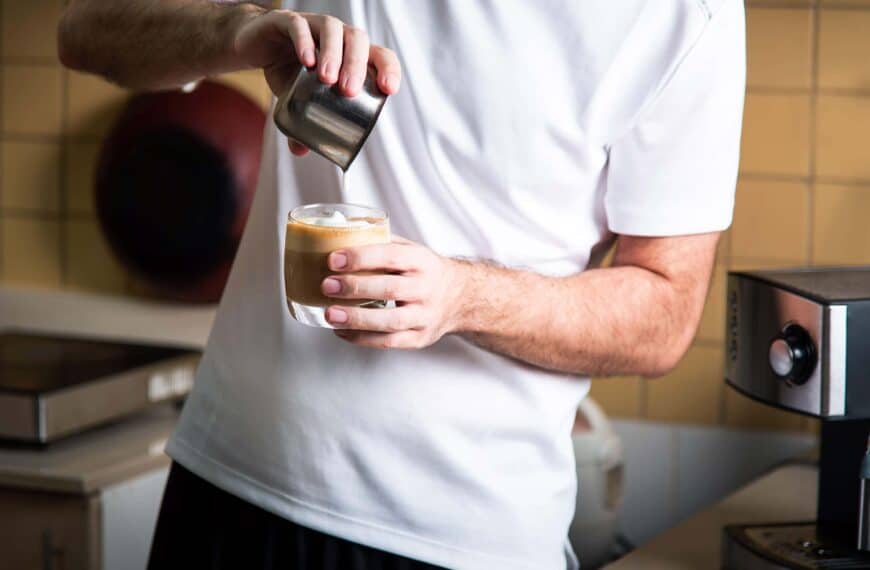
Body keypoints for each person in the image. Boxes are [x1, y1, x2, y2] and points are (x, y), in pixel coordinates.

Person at [58, 1, 745, 568]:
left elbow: (663, 310)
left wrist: (462, 297)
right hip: (232, 486)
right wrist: (238, 30)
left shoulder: (689, 16)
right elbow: (86, 29)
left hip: (462, 537)